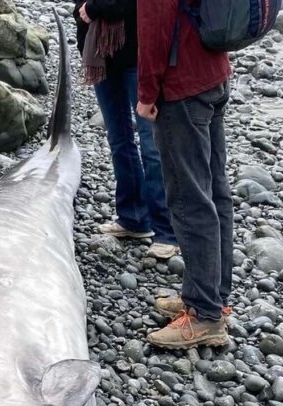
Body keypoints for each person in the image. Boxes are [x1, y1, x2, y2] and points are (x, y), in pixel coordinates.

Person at [136, 0, 234, 349]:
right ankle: (210, 295)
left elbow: (154, 26)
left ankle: (205, 315)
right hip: (213, 73)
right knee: (215, 193)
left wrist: (147, 92)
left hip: (182, 87)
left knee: (189, 198)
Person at [74, 0, 178, 260]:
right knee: (119, 141)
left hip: (140, 58)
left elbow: (142, 6)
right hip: (101, 55)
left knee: (152, 145)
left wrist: (96, 7)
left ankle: (166, 231)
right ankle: (133, 218)